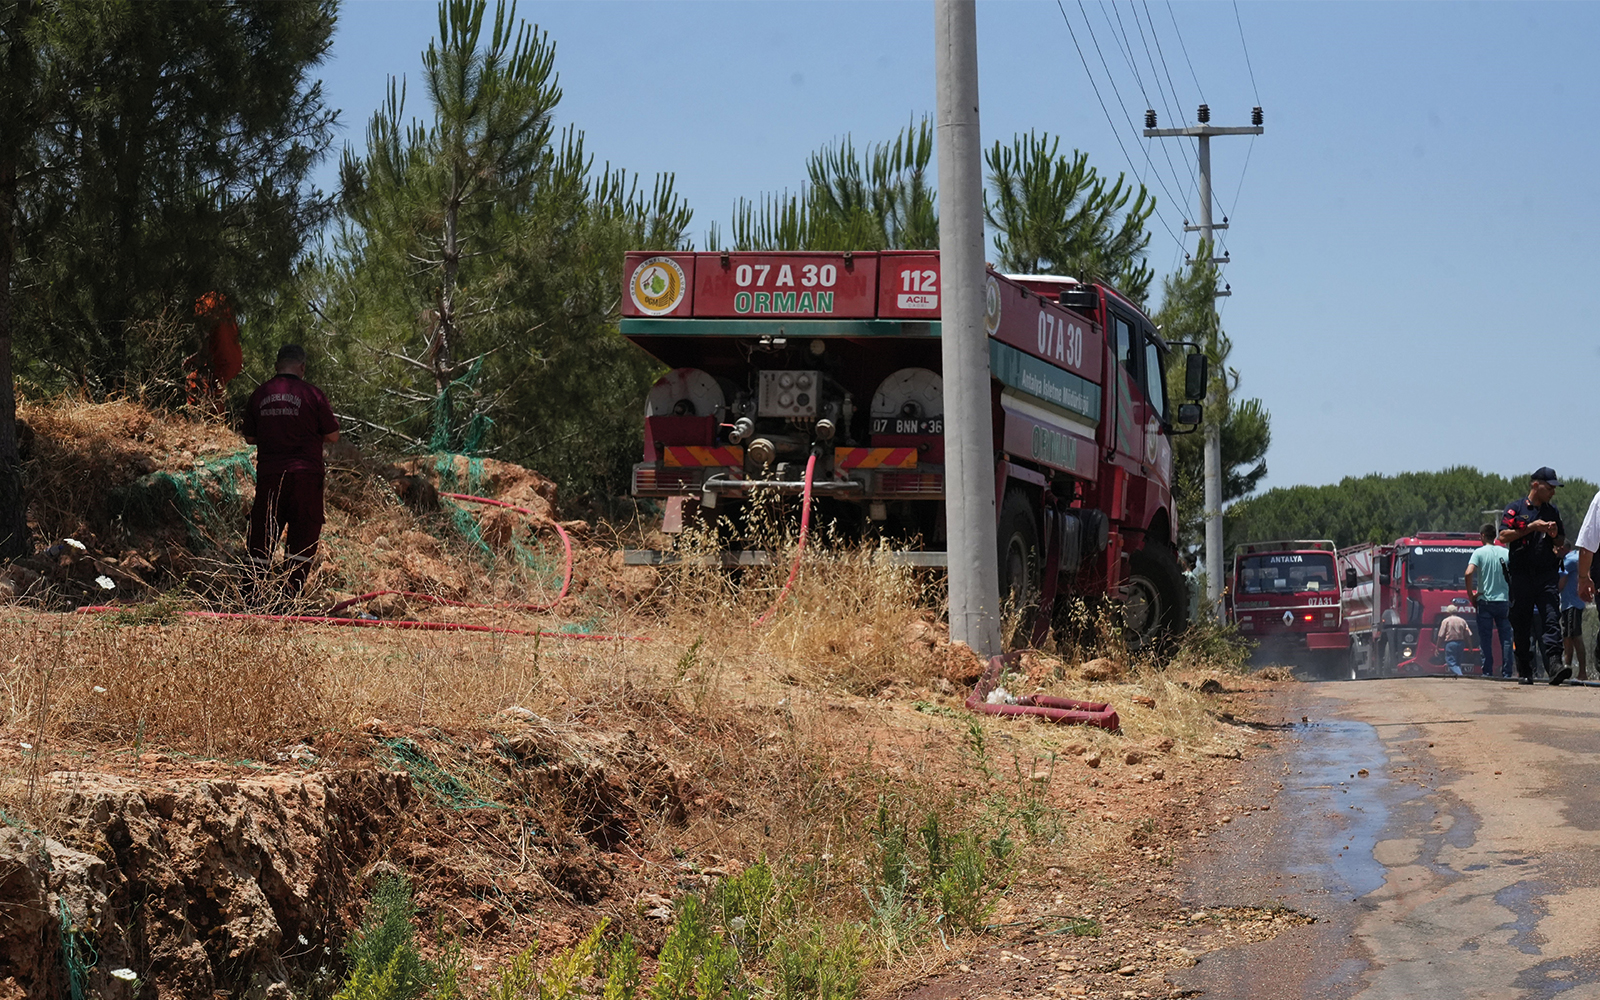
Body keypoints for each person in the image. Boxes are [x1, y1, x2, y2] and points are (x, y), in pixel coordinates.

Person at [242, 344, 339, 600]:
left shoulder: (259, 394)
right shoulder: (314, 395)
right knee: (303, 537)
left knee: (262, 536)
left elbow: (250, 437)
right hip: (306, 477)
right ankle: (288, 600)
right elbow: (333, 435)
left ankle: (252, 597)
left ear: (276, 365)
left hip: (270, 476)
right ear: (303, 367)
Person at [1500, 467, 1569, 685]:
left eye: (1554, 488)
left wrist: (1555, 536)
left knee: (1551, 620)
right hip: (1521, 576)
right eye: (1549, 487)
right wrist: (1531, 527)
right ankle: (1525, 668)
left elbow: (1562, 542)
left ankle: (1555, 665)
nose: (1552, 492)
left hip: (1546, 576)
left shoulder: (1552, 512)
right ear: (1535, 485)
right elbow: (1503, 536)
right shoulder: (1516, 508)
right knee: (1521, 624)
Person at [1465, 523, 1513, 678]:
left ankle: (1487, 671)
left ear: (1483, 536)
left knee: (1485, 638)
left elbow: (1468, 573)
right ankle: (1507, 672)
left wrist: (1471, 594)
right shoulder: (1505, 552)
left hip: (1485, 601)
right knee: (1506, 638)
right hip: (1504, 600)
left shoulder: (1479, 553)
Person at [1558, 543, 1589, 680]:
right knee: (1568, 638)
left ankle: (1582, 672)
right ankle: (1568, 669)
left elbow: (1559, 585)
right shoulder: (1575, 557)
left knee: (1575, 637)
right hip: (1571, 604)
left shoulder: (1569, 561)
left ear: (1562, 548)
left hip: (1572, 604)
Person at [1436, 613, 1471, 677]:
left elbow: (1441, 635)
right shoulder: (1462, 620)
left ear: (1448, 612)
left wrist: (1437, 646)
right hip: (1461, 643)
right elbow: (1468, 634)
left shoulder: (1446, 621)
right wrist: (1470, 646)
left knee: (1451, 662)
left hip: (1450, 643)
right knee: (1458, 662)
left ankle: (1460, 675)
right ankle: (1457, 676)